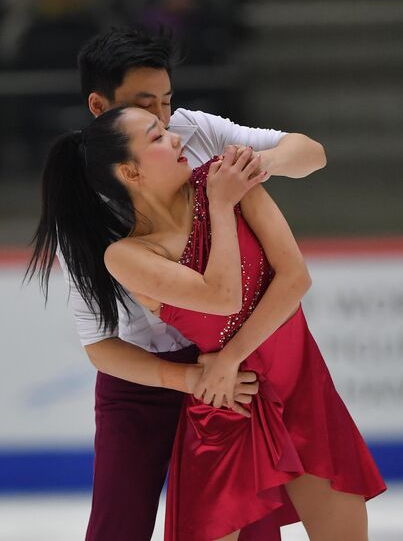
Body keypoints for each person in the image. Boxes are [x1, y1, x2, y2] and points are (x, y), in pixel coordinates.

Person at [29, 105, 385, 540]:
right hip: (228, 410)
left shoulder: (223, 176)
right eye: (157, 138)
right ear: (131, 173)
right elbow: (222, 298)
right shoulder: (128, 256)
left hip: (297, 389)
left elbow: (295, 277)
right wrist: (220, 206)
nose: (177, 138)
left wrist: (228, 358)